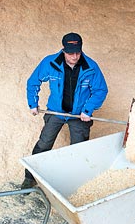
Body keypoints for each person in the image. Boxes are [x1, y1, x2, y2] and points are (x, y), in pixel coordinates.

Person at [21, 32, 108, 189]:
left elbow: (100, 90)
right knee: (44, 142)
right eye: (70, 53)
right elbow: (33, 82)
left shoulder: (91, 67)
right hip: (56, 111)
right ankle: (30, 177)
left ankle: (75, 184)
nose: (74, 56)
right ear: (63, 49)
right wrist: (32, 103)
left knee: (79, 148)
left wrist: (88, 110)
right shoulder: (50, 63)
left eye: (77, 52)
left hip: (79, 115)